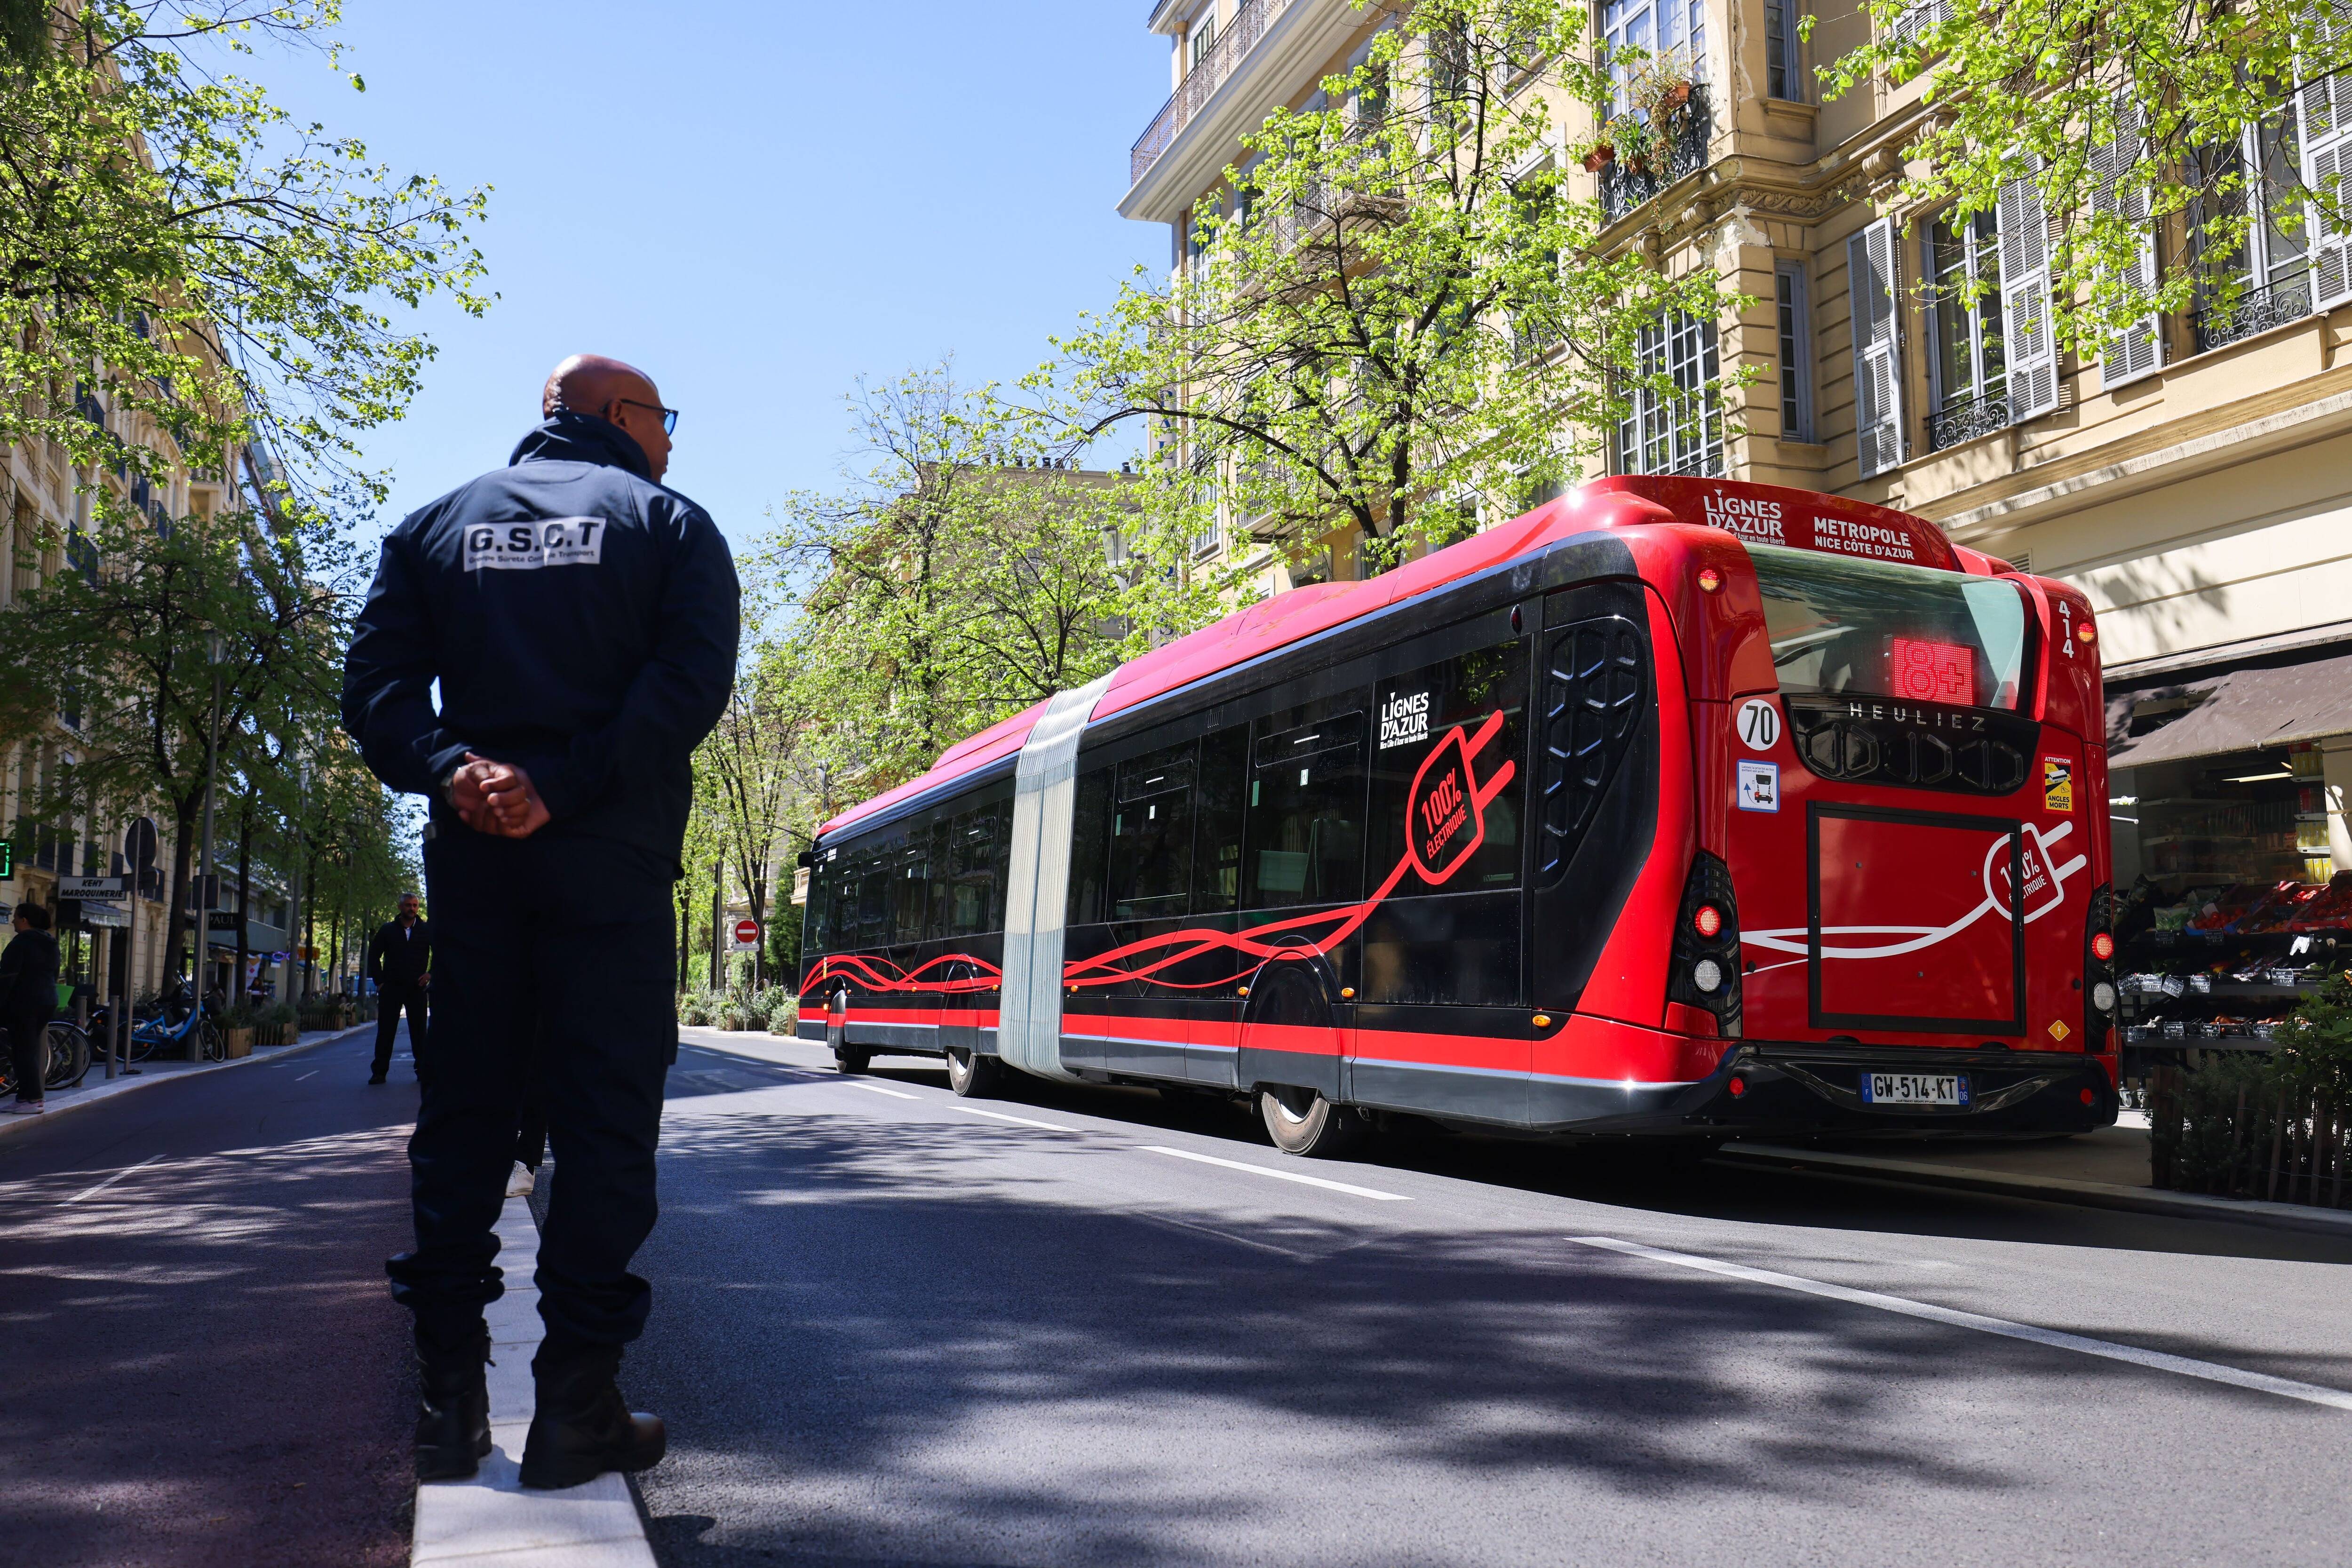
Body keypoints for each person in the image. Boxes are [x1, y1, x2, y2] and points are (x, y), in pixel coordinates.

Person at [342, 354, 738, 1490]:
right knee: (605, 1129)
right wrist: (561, 784)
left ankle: (445, 1406)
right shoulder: (670, 526)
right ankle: (574, 1409)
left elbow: (371, 689)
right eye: (665, 417)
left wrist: (454, 769)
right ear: (618, 416)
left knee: (464, 1120)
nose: (671, 440)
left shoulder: (432, 528)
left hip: (476, 872)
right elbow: (686, 690)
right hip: (607, 870)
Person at [366, 893, 432, 1085]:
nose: (412, 909)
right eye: (408, 905)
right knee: (386, 1031)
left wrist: (431, 974)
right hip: (392, 988)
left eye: (415, 905)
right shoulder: (388, 930)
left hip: (417, 988)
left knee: (420, 1032)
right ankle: (379, 1072)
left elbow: (442, 953)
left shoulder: (426, 930)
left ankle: (423, 1070)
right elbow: (373, 956)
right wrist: (380, 981)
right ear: (400, 907)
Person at [1, 904, 58, 1114]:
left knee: (23, 1050)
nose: (13, 921)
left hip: (24, 1002)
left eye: (16, 917)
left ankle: (33, 1098)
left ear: (24, 920)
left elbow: (8, 976)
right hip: (47, 1000)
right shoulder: (49, 942)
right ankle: (24, 1097)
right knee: (27, 1048)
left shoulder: (22, 942)